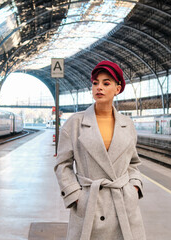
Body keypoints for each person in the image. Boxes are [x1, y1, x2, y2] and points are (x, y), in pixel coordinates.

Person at [54, 60, 146, 240]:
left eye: (106, 83)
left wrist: (134, 188)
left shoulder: (127, 124)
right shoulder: (75, 123)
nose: (99, 88)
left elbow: (133, 162)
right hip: (89, 205)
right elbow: (62, 165)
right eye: (95, 83)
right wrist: (76, 196)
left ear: (117, 89)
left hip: (123, 204)